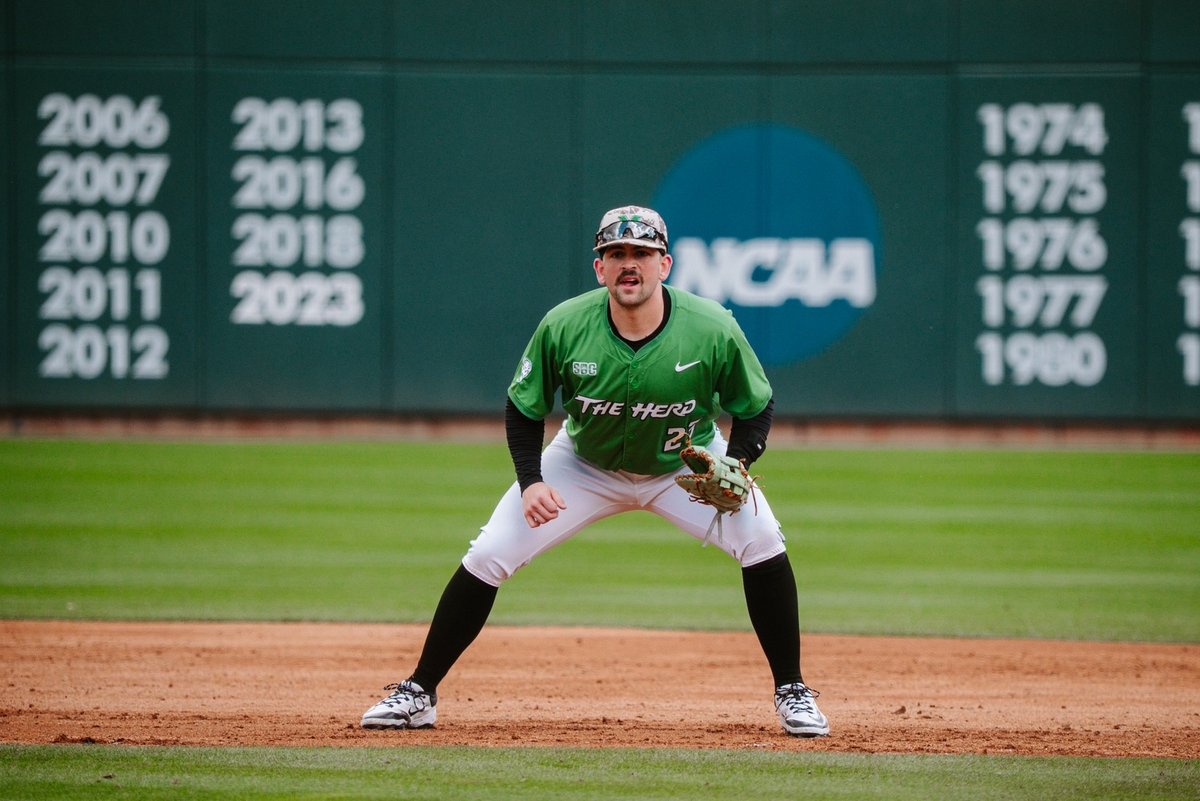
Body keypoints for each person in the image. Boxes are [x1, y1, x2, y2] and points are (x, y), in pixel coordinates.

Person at [361, 205, 829, 738]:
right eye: (616, 254)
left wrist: (737, 465)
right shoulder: (564, 324)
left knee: (764, 540)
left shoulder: (712, 327)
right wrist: (530, 479)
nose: (630, 264)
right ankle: (420, 692)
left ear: (665, 264)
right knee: (490, 553)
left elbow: (756, 405)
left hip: (685, 466)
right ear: (599, 268)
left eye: (642, 254)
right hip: (583, 464)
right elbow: (523, 407)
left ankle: (792, 690)